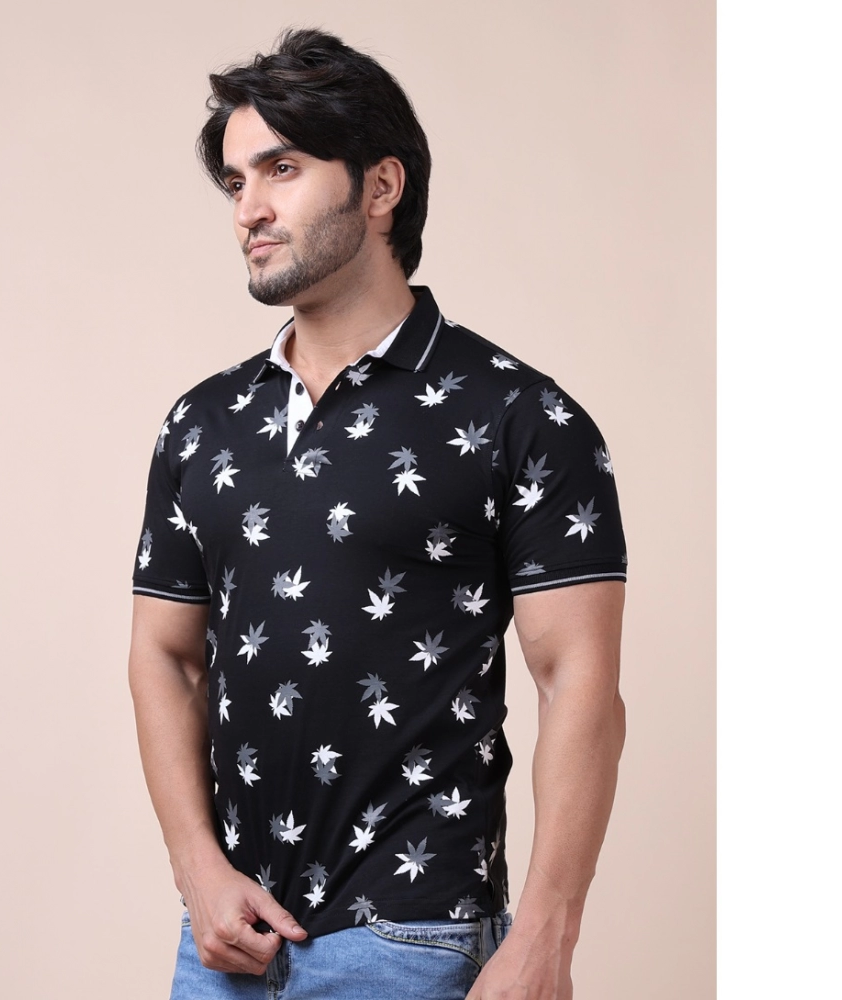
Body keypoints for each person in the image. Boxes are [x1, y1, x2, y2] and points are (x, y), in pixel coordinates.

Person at [128, 27, 627, 1000]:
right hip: (225, 942)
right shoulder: (202, 423)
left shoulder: (519, 415)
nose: (250, 207)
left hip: (414, 941)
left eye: (282, 169)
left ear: (381, 185)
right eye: (235, 181)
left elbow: (580, 683)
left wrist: (544, 939)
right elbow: (165, 654)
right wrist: (196, 870)